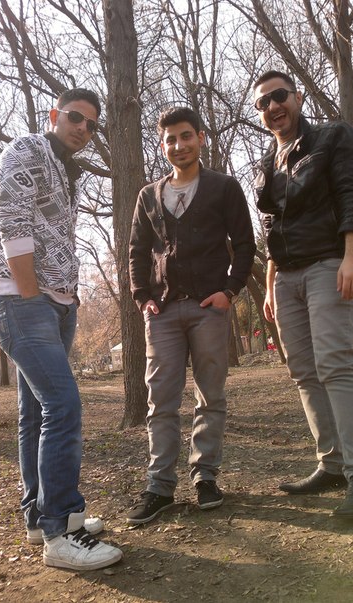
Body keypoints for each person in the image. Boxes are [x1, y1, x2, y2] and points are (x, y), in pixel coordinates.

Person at [0, 88, 123, 569]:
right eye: (74, 118)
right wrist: (30, 295)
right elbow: (11, 222)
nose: (82, 128)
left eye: (91, 124)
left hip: (57, 305)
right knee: (63, 406)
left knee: (34, 414)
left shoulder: (67, 170)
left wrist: (66, 296)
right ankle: (61, 531)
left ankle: (38, 517)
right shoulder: (26, 150)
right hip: (26, 304)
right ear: (54, 115)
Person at [253, 70, 353, 518]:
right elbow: (271, 227)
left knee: (335, 364)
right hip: (286, 278)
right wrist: (270, 285)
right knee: (304, 373)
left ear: (296, 97)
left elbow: (352, 194)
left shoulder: (332, 137)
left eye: (279, 96)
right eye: (263, 103)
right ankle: (332, 464)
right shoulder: (268, 162)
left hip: (329, 264)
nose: (272, 106)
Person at [127, 106, 256, 525]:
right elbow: (136, 250)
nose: (178, 145)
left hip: (208, 309)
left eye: (186, 136)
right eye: (170, 139)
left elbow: (245, 243)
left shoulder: (224, 187)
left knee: (210, 396)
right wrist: (142, 297)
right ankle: (159, 487)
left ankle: (205, 478)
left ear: (200, 137)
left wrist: (229, 291)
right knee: (160, 400)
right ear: (162, 145)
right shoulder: (148, 195)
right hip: (162, 311)